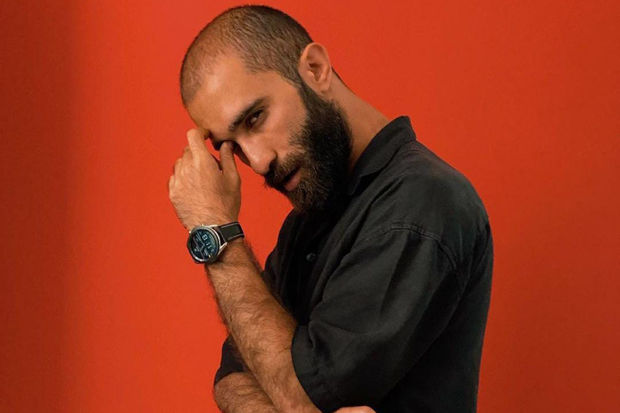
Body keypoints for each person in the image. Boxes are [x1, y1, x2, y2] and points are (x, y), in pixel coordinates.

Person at [168, 5, 493, 413]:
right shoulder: (306, 222)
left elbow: (303, 396)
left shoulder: (422, 204)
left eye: (255, 118)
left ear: (316, 69)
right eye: (232, 146)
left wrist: (217, 231)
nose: (259, 162)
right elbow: (231, 379)